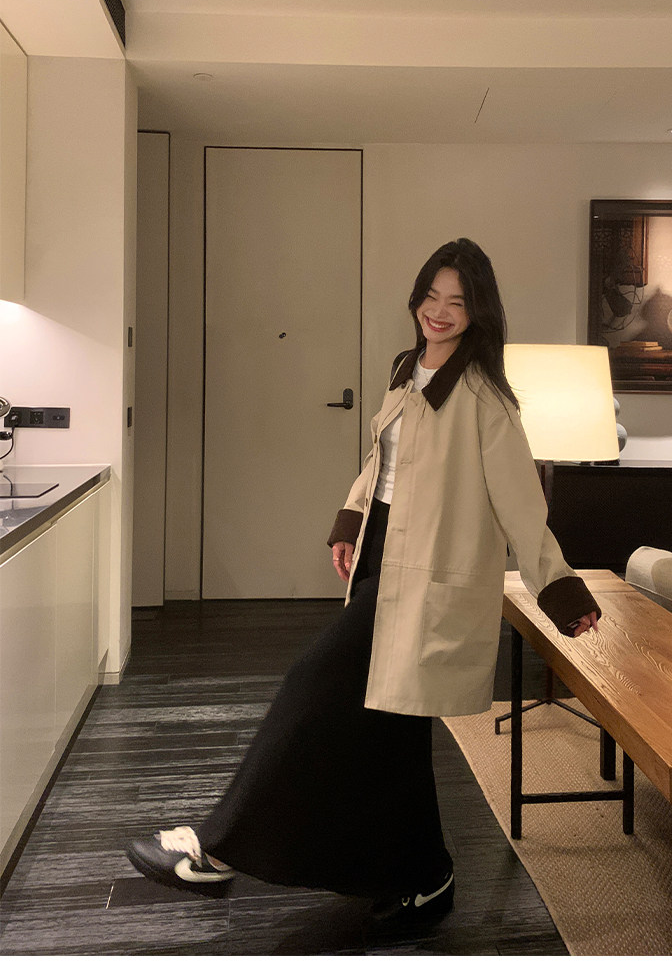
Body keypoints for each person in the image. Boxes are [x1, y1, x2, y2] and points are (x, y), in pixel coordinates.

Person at [126, 238, 600, 923]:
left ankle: (219, 848)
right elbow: (381, 462)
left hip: (428, 577)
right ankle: (426, 876)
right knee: (389, 730)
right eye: (431, 296)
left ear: (478, 312)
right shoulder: (407, 370)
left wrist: (560, 589)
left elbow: (522, 506)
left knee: (313, 684)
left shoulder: (484, 398)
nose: (439, 311)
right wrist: (350, 521)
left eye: (457, 301)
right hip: (382, 556)